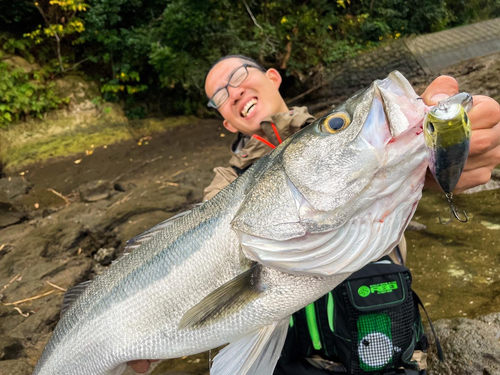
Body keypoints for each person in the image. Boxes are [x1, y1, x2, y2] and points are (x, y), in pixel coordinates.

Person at [129, 55, 500, 373]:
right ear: (227, 121)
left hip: (384, 347)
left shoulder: (341, 135)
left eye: (239, 76)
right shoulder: (224, 186)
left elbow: (385, 167)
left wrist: (437, 157)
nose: (234, 92)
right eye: (220, 96)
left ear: (273, 77)